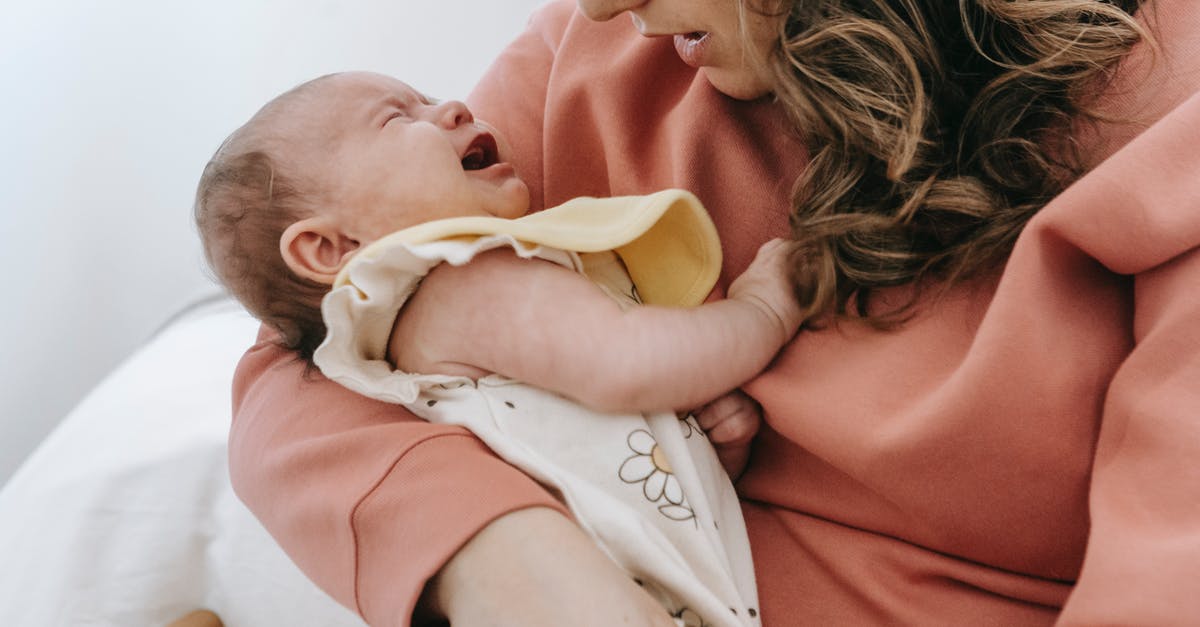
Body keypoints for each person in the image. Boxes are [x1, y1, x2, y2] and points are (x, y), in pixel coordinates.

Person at [227, 0, 1200, 625]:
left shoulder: (1167, 104)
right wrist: (504, 556)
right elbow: (308, 345)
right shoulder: (597, 46)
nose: (604, 7)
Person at [196, 70, 803, 625]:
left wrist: (697, 449)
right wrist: (763, 313)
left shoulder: (441, 319)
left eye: (429, 97)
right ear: (331, 249)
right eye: (397, 118)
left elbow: (588, 458)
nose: (455, 107)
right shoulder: (463, 281)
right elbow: (631, 365)